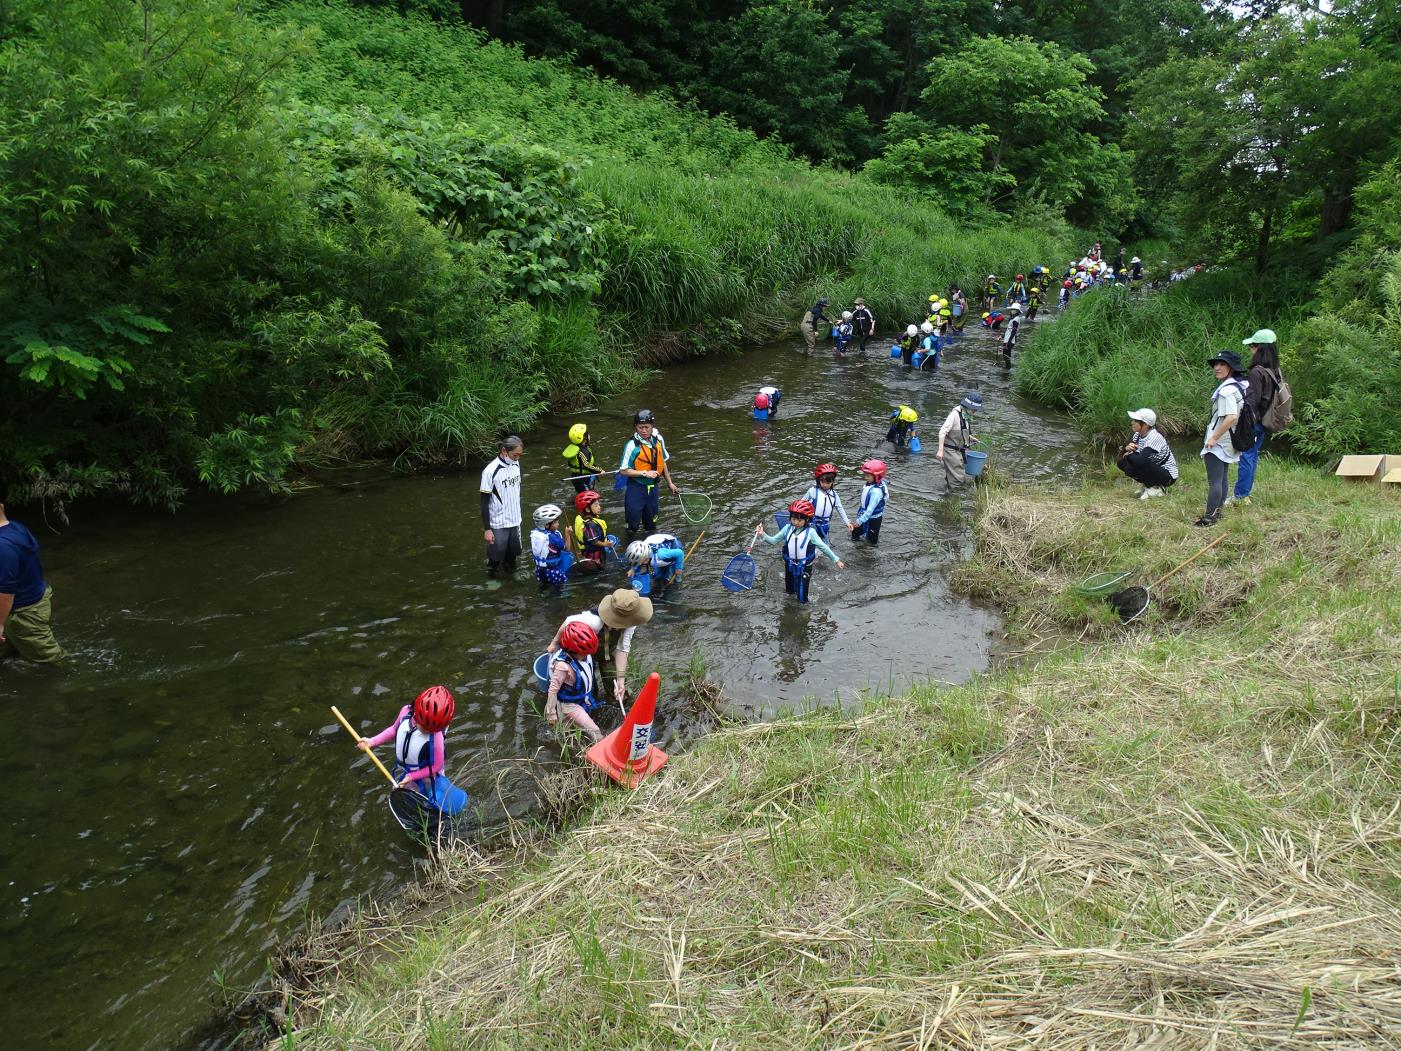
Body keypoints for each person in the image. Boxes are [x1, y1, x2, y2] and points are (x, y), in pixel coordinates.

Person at [357, 686, 468, 814]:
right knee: (410, 801)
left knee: (437, 806)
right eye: (424, 727)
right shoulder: (406, 712)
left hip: (430, 776)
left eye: (430, 730)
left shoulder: (436, 736)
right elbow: (394, 730)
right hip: (410, 772)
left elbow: (436, 767)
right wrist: (372, 741)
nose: (426, 731)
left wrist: (411, 776)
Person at [547, 588, 653, 705]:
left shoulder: (631, 621)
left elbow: (623, 648)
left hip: (609, 652)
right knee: (588, 686)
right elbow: (568, 622)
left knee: (619, 691)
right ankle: (591, 704)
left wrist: (620, 680)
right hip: (585, 653)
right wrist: (555, 643)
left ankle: (616, 705)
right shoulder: (593, 620)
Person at [0, 495, 63, 663]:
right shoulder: (15, 528)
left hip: (23, 612)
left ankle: (82, 683)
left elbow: (6, 592)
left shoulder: (3, 546)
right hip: (30, 599)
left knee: (49, 660)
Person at [754, 500, 845, 604]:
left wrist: (836, 560)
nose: (796, 522)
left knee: (802, 598)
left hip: (805, 567)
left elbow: (823, 547)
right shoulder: (787, 529)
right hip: (789, 565)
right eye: (793, 519)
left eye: (800, 520)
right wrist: (762, 534)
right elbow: (773, 541)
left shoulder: (811, 533)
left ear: (807, 520)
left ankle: (803, 613)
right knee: (789, 592)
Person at [1230, 329, 1281, 507]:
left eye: (1252, 345)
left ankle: (1241, 495)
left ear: (1260, 348)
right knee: (1252, 456)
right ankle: (1244, 493)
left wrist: (1242, 423)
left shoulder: (1257, 373)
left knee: (1246, 456)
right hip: (1266, 421)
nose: (1250, 349)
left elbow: (1252, 402)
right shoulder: (1274, 370)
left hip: (1255, 422)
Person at [1198, 350, 1245, 527]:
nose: (1217, 368)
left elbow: (1231, 416)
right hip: (1232, 438)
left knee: (1215, 481)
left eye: (1222, 364)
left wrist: (1213, 438)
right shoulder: (1241, 385)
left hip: (1221, 438)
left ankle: (1209, 518)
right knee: (1223, 477)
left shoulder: (1226, 391)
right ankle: (1218, 513)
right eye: (1215, 364)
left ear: (1232, 367)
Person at [618, 409, 677, 539]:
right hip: (636, 488)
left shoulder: (658, 440)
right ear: (635, 427)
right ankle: (630, 549)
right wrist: (645, 473)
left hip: (653, 489)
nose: (643, 430)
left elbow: (663, 463)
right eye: (640, 427)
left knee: (651, 525)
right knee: (632, 526)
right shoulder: (631, 445)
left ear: (652, 426)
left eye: (646, 427)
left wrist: (670, 483)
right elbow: (623, 470)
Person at [546, 621, 605, 743]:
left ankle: (569, 742)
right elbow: (553, 690)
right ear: (571, 649)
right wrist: (551, 713)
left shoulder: (585, 656)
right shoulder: (563, 667)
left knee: (567, 730)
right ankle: (597, 756)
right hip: (569, 705)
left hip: (580, 699)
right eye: (583, 653)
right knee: (595, 731)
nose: (586, 656)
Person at [480, 435, 523, 577]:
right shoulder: (490, 471)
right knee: (495, 557)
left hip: (515, 520)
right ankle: (491, 578)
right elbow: (484, 502)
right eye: (515, 455)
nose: (517, 458)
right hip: (498, 522)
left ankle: (511, 575)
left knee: (513, 554)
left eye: (519, 455)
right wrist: (487, 529)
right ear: (504, 451)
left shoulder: (516, 464)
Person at [1117, 409, 1179, 499]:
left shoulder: (1154, 437)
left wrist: (1128, 455)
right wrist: (1126, 449)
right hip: (1154, 468)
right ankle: (1148, 485)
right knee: (1122, 463)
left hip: (1168, 475)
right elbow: (1130, 457)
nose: (1132, 423)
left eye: (1135, 421)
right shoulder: (1137, 435)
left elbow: (1141, 460)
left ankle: (1156, 488)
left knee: (1139, 461)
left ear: (1145, 425)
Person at [936, 391, 982, 491]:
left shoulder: (965, 415)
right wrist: (940, 451)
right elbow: (942, 431)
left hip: (958, 451)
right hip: (950, 451)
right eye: (974, 410)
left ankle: (948, 496)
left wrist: (969, 437)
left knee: (953, 477)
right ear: (968, 406)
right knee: (958, 478)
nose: (975, 412)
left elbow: (960, 430)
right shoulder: (954, 415)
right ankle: (955, 499)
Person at [802, 463, 854, 540]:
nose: (825, 485)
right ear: (818, 480)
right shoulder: (812, 491)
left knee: (823, 545)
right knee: (810, 543)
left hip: (824, 525)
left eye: (828, 483)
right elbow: (801, 503)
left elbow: (839, 508)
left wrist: (847, 521)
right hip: (811, 524)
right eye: (823, 482)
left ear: (832, 482)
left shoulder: (834, 495)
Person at [529, 504, 572, 587]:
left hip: (540, 570)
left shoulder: (536, 533)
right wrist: (568, 534)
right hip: (553, 571)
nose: (558, 524)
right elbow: (567, 548)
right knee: (561, 587)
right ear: (546, 525)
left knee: (544, 586)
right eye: (555, 522)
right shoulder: (553, 537)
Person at [571, 490, 613, 574]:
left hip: (591, 553)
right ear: (587, 509)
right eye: (596, 505)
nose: (599, 507)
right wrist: (606, 544)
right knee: (601, 571)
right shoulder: (589, 524)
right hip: (593, 556)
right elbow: (594, 541)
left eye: (599, 504)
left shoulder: (586, 519)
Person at [850, 459, 889, 544]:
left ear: (877, 476)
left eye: (868, 476)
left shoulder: (876, 492)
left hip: (873, 519)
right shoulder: (873, 483)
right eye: (865, 475)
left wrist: (859, 521)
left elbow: (870, 511)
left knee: (871, 541)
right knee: (855, 533)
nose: (865, 478)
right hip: (865, 515)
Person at [561, 423, 600, 494]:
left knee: (581, 493)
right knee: (589, 497)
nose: (589, 435)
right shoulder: (582, 452)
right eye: (588, 434)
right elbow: (586, 465)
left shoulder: (577, 449)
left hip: (576, 477)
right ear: (584, 439)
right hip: (583, 479)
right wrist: (599, 471)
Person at [1001, 303, 1022, 369]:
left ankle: (1008, 368)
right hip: (1007, 339)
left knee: (1006, 355)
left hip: (1010, 340)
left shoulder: (1016, 319)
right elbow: (1009, 330)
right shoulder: (1013, 318)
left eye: (1014, 309)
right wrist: (1002, 336)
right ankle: (1007, 367)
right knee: (1006, 354)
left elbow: (1013, 332)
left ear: (1017, 311)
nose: (1012, 310)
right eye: (1012, 309)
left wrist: (1008, 343)